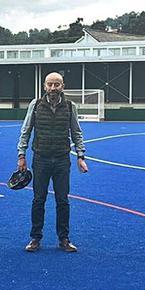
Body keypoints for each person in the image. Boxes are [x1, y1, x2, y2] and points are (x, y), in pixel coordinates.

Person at [17, 72, 88, 252]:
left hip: (62, 160)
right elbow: (26, 130)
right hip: (40, 159)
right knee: (38, 200)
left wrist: (81, 156)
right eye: (50, 84)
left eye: (57, 84)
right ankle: (35, 238)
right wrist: (21, 155)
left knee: (62, 201)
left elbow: (76, 132)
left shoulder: (71, 107)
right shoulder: (35, 105)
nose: (53, 88)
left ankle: (64, 239)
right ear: (44, 86)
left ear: (62, 86)